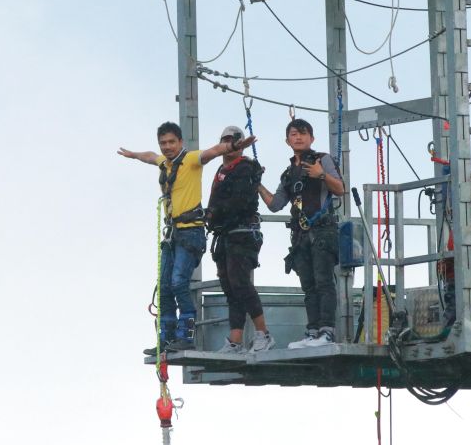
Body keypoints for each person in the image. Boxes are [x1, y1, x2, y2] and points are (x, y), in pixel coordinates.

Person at [118, 121, 255, 354]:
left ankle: (185, 334)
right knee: (164, 287)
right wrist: (133, 155)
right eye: (163, 143)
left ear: (181, 142)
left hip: (190, 231)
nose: (167, 146)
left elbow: (213, 152)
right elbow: (150, 156)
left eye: (172, 142)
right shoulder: (165, 163)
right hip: (173, 234)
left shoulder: (191, 159)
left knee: (178, 282)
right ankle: (167, 337)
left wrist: (234, 145)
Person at [258, 119, 344, 348]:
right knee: (309, 285)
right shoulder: (288, 174)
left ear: (311, 138)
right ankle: (313, 331)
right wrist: (257, 183)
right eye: (294, 134)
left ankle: (327, 331)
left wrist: (321, 175)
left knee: (324, 281)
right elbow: (275, 204)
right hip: (300, 235)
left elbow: (340, 189)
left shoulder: (322, 160)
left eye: (303, 133)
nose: (298, 137)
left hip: (323, 230)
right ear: (287, 140)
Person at [206, 125, 274, 354]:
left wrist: (214, 214)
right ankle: (235, 340)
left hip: (242, 233)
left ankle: (263, 333)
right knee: (230, 287)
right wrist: (211, 216)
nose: (229, 143)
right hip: (226, 234)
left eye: (233, 139)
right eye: (225, 139)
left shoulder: (245, 167)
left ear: (241, 143)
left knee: (241, 283)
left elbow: (239, 202)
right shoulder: (222, 169)